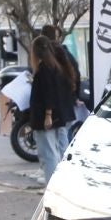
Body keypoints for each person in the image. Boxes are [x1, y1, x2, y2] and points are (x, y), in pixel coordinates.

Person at [28, 35, 78, 183]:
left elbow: (48, 93)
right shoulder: (57, 67)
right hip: (59, 115)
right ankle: (60, 182)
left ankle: (52, 185)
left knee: (48, 153)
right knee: (57, 150)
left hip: (46, 117)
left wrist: (47, 114)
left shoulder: (43, 69)